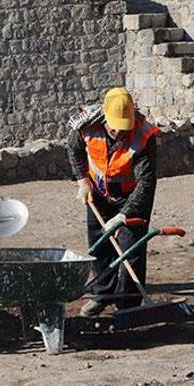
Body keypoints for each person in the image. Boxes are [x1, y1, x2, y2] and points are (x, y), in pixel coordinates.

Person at [67, 88, 159, 317]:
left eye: (123, 126)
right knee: (100, 243)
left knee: (131, 248)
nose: (119, 132)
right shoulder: (86, 126)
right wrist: (82, 181)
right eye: (114, 126)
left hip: (131, 195)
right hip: (98, 194)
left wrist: (124, 215)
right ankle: (102, 295)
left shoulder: (143, 135)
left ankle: (128, 304)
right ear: (105, 117)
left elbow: (146, 182)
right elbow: (74, 150)